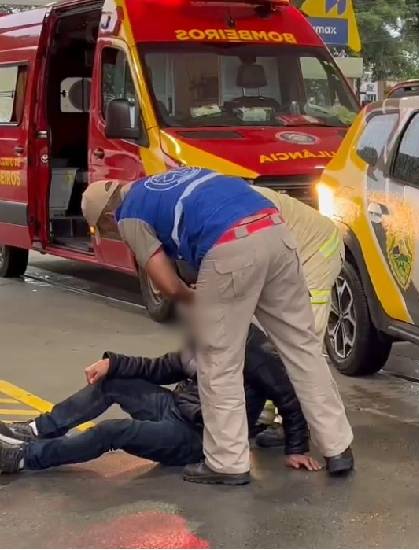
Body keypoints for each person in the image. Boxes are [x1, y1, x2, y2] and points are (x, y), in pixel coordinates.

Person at [81, 168, 353, 485]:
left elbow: (168, 285)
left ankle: (227, 462)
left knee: (219, 359)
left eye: (105, 230)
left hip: (232, 245)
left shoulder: (129, 215)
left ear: (107, 218)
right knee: (302, 349)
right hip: (277, 232)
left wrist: (197, 302)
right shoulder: (163, 182)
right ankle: (338, 448)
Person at [0, 325, 319, 480]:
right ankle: (34, 429)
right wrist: (114, 363)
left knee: (111, 431)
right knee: (112, 383)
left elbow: (289, 398)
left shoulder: (254, 349)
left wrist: (296, 448)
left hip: (198, 437)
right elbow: (163, 367)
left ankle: (25, 457)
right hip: (175, 408)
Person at [248, 186, 344, 447]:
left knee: (299, 342)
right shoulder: (229, 203)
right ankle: (264, 412)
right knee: (264, 340)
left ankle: (296, 421)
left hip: (316, 252)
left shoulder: (245, 210)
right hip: (288, 251)